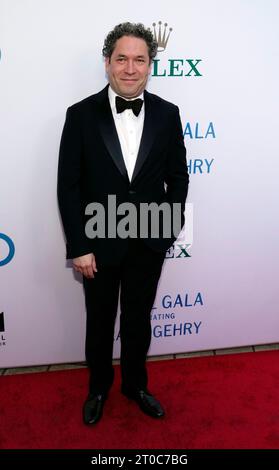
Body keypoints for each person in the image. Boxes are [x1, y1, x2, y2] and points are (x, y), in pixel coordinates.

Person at [57, 22, 189, 425]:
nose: (130, 68)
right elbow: (69, 186)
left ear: (150, 65)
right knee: (99, 321)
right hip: (98, 242)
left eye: (139, 59)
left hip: (148, 240)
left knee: (138, 319)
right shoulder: (80, 115)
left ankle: (136, 385)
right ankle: (99, 388)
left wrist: (165, 231)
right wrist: (79, 246)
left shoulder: (168, 114)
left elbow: (179, 179)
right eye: (121, 59)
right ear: (107, 63)